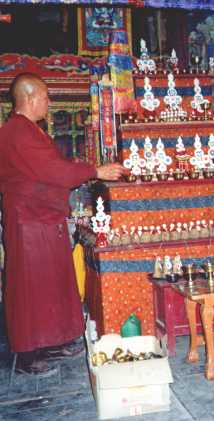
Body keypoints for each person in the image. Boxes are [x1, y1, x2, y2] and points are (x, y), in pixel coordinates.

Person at [0, 72, 125, 375]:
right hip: (28, 221)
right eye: (45, 97)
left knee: (52, 282)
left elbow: (54, 169)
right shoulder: (17, 132)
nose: (48, 102)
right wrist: (96, 170)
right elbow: (53, 170)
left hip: (43, 217)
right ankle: (28, 353)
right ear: (29, 98)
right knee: (30, 286)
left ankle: (52, 341)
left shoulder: (31, 130)